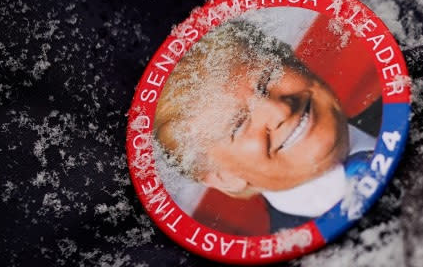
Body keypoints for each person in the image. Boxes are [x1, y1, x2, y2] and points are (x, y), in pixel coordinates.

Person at [153, 16, 378, 233]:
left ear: (294, 61)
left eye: (268, 77)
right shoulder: (300, 266)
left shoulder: (410, 82)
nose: (280, 110)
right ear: (223, 177)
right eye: (238, 125)